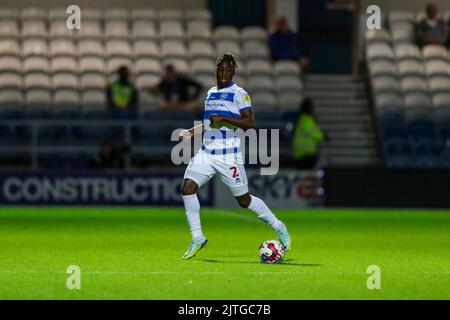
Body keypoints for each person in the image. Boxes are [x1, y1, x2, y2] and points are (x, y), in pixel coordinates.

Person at [178, 53, 291, 260]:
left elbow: (249, 122)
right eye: (220, 69)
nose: (223, 73)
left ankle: (278, 225)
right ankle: (197, 238)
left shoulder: (239, 93)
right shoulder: (211, 93)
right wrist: (191, 132)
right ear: (216, 70)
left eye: (228, 70)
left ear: (233, 71)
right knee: (187, 189)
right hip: (206, 152)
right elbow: (210, 122)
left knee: (243, 200)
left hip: (229, 156)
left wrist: (224, 117)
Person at [292, 98, 324, 169]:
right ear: (306, 108)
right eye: (311, 107)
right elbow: (312, 133)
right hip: (305, 153)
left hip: (303, 153)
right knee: (307, 174)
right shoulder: (306, 119)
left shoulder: (301, 118)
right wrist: (323, 136)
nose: (312, 109)